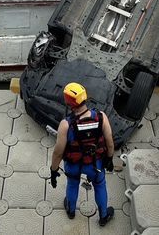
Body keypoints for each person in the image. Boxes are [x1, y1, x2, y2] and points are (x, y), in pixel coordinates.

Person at [50, 82, 115, 226]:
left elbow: (58, 152)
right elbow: (110, 142)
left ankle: (71, 210)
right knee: (100, 185)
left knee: (72, 184)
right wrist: (109, 158)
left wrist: (53, 170)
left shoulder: (65, 124)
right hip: (95, 165)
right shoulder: (101, 117)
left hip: (73, 164)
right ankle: (103, 216)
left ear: (68, 103)